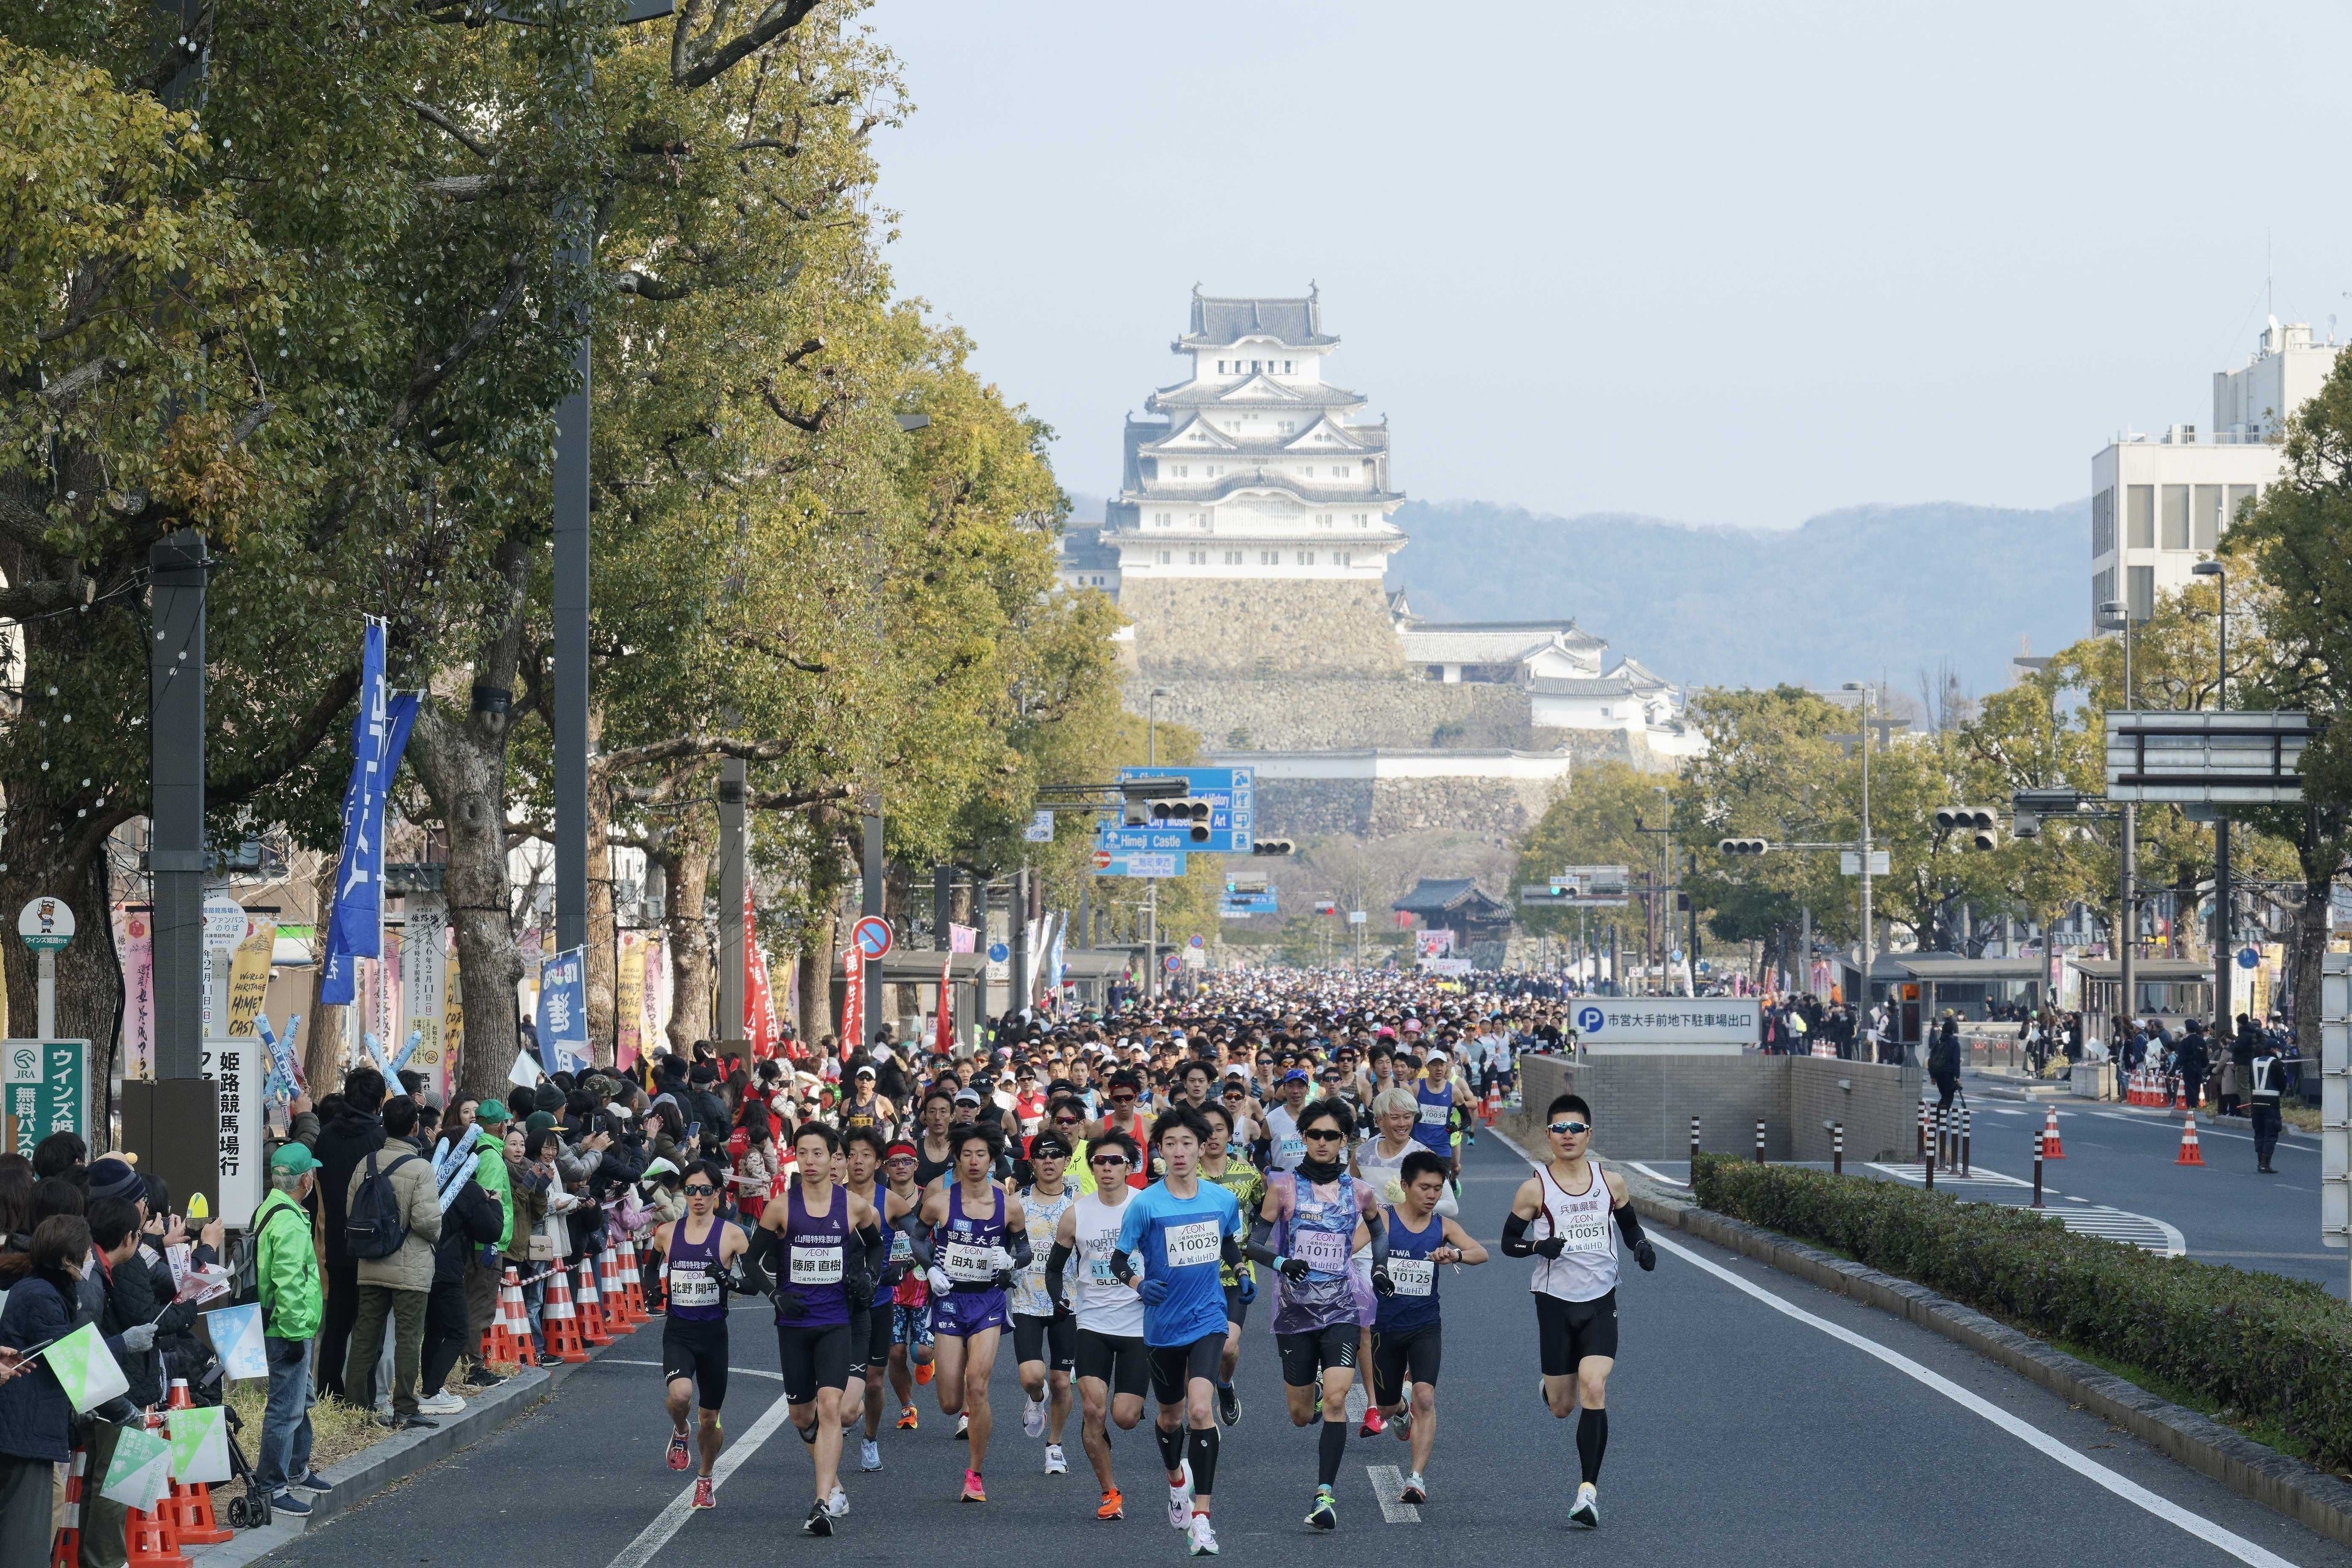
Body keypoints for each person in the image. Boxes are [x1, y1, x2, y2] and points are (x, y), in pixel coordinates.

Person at [1502, 1092, 1657, 1529]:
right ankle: (1552, 1387)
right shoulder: (1535, 1188)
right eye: (1559, 1129)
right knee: (1561, 1406)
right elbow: (1507, 1242)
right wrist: (1537, 1245)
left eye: (1576, 1129)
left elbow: (1629, 1226)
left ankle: (1588, 1492)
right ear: (1548, 1135)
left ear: (1589, 1134)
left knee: (1595, 1387)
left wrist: (1641, 1246)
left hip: (1600, 1302)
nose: (1567, 1136)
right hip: (1554, 1305)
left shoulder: (1612, 1182)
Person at [1246, 1096, 1388, 1531]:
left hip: (1343, 1305)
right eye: (1315, 1135)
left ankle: (1324, 1494)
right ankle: (1318, 1382)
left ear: (1344, 1141)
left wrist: (1380, 1268)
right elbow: (1251, 1243)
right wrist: (1281, 1263)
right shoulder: (1284, 1188)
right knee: (1300, 1414)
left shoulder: (1359, 1191)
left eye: (1332, 1136)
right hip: (1294, 1312)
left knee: (1339, 1400)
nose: (1323, 1142)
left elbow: (1380, 1231)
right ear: (1303, 1138)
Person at [1110, 1105, 1246, 1557]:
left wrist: (1241, 1269)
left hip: (1208, 1317)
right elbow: (1118, 1258)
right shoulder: (1145, 1203)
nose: (1180, 1151)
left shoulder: (1221, 1199)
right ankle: (1175, 1479)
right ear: (1160, 1151)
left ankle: (1203, 1521)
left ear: (1203, 1146)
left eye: (1188, 1143)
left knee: (1200, 1412)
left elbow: (1228, 1239)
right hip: (1163, 1325)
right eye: (1170, 1144)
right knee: (1170, 1418)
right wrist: (1137, 1283)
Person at [750, 1122, 887, 1534]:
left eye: (818, 1153)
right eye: (802, 1153)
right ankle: (835, 1484)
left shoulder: (853, 1207)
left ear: (834, 1159)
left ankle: (821, 1503)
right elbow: (750, 1261)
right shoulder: (780, 1207)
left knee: (831, 1406)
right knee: (801, 1415)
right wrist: (775, 1296)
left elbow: (877, 1246)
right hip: (793, 1323)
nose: (810, 1162)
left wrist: (869, 1279)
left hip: (835, 1321)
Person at [904, 1124, 1027, 1503]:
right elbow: (918, 1237)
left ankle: (974, 1474)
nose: (974, 1162)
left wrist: (1010, 1260)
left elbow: (1024, 1249)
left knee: (978, 1386)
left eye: (982, 1155)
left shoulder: (1008, 1205)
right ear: (957, 1158)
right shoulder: (940, 1200)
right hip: (949, 1301)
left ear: (993, 1160)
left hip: (988, 1300)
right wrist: (931, 1269)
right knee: (949, 1403)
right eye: (967, 1155)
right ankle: (941, 1367)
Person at [1372, 1149, 1488, 1502]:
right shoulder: (1384, 1220)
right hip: (1385, 1327)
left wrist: (1454, 1255)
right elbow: (1349, 1249)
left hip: (1425, 1326)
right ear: (1405, 1186)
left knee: (1425, 1395)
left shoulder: (1443, 1227)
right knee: (1387, 1407)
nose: (1432, 1195)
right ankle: (1400, 1411)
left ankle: (1416, 1478)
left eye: (1438, 1189)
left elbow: (1481, 1252)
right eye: (1425, 1188)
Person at [1046, 1128, 1148, 1521]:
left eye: (1114, 1161)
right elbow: (1054, 1271)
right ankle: (1109, 1493)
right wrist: (1061, 1301)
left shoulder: (1145, 1206)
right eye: (1099, 1161)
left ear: (1129, 1166)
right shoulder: (1075, 1214)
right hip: (1092, 1322)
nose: (1106, 1168)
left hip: (1139, 1323)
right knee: (1093, 1409)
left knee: (1124, 1417)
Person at [648, 1158, 747, 1510]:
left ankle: (705, 1478)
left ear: (717, 1194)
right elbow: (653, 1262)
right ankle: (680, 1430)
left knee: (709, 1418)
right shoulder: (668, 1232)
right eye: (691, 1190)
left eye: (705, 1190)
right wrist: (652, 1288)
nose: (698, 1197)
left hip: (713, 1337)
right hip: (679, 1332)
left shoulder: (732, 1235)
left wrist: (729, 1280)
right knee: (680, 1395)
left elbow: (752, 1282)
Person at [345, 1095, 443, 1429]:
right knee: (408, 1336)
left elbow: (351, 1213)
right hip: (411, 1268)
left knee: (365, 1335)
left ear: (384, 1124)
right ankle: (405, 1407)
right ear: (415, 1127)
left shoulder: (366, 1163)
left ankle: (356, 1408)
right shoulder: (421, 1168)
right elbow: (427, 1222)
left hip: (371, 1263)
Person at [253, 1144, 332, 1515]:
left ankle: (296, 1468)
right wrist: (294, 1332)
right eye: (311, 1172)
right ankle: (272, 1486)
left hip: (285, 1325)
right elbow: (288, 1280)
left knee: (300, 1402)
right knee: (286, 1408)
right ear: (305, 1178)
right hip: (288, 1329)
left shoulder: (272, 1209)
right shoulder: (288, 1220)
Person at [315, 1065, 388, 1401]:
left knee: (337, 1323)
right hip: (372, 1243)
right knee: (369, 1325)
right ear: (377, 1102)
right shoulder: (379, 1138)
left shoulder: (326, 1136)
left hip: (336, 1243)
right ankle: (363, 1396)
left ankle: (329, 1391)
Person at [1009, 1131, 1078, 1475]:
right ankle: (1036, 1400)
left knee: (1063, 1381)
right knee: (1032, 1377)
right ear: (1032, 1163)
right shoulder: (1015, 1201)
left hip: (1068, 1302)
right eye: (1041, 1155)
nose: (1049, 1161)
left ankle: (1055, 1447)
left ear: (1067, 1161)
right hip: (1026, 1300)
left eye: (1056, 1155)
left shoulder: (1079, 1204)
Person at [1195, 1101, 1262, 1426]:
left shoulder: (1248, 1173)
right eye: (1205, 1131)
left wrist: (1257, 1244)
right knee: (1195, 1349)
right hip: (1194, 1276)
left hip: (1237, 1275)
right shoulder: (1183, 1175)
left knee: (1227, 1347)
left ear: (1229, 1133)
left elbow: (1266, 1213)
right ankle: (1200, 1416)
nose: (1212, 1137)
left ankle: (1224, 1384)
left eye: (1219, 1129)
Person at [2249, 1033, 2287, 1173]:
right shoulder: (2276, 1064)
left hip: (2256, 1102)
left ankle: (2260, 1161)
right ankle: (2266, 1163)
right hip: (2271, 1103)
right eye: (2278, 1049)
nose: (2280, 1052)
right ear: (2273, 1049)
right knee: (2271, 1133)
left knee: (2259, 1132)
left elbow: (2250, 1082)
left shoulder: (2253, 1062)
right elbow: (2282, 1084)